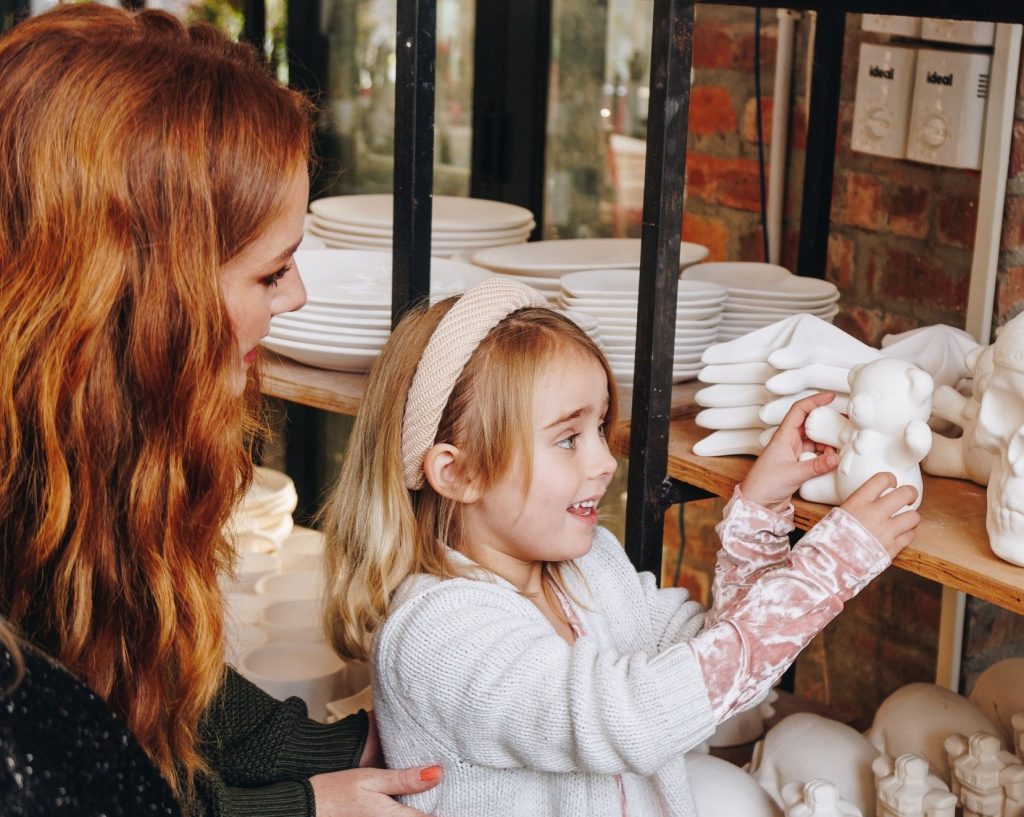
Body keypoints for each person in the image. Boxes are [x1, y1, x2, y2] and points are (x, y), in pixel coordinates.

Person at [0, 5, 439, 815]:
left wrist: (348, 747)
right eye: (271, 273)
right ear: (146, 296)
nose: (298, 294)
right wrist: (301, 807)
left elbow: (136, 668)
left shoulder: (68, 459)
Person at [321, 277, 921, 817]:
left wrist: (761, 511)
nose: (606, 461)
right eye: (567, 439)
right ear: (459, 474)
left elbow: (721, 669)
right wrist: (825, 571)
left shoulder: (589, 564)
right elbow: (632, 718)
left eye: (601, 429)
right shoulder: (438, 632)